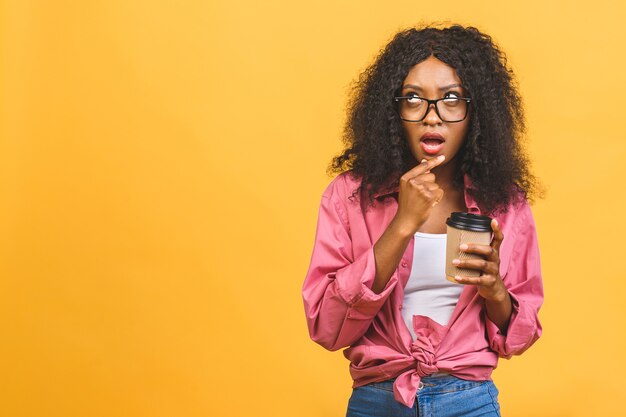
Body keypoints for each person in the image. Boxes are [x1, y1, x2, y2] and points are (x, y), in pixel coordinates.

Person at [302, 24, 545, 417]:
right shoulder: (348, 196)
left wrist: (495, 290)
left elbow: (519, 337)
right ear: (393, 110)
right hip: (377, 400)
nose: (432, 117)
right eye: (414, 99)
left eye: (451, 99)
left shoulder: (504, 204)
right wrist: (402, 224)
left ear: (476, 112)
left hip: (469, 400)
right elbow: (327, 328)